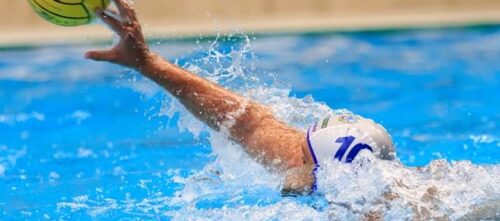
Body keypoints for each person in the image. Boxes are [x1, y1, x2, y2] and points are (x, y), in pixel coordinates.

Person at [86, 0, 396, 195]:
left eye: (301, 157)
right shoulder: (317, 166)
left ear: (333, 177)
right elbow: (247, 124)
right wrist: (148, 63)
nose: (289, 157)